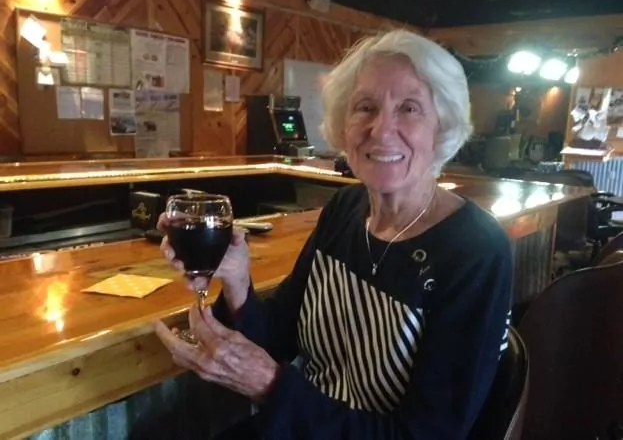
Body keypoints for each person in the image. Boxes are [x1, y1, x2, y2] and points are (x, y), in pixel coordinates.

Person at [153, 29, 513, 440]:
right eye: (365, 107)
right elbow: (277, 339)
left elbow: (426, 435)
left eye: (409, 108)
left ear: (442, 127)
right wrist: (236, 279)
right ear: (344, 124)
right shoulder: (346, 209)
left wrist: (269, 385)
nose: (381, 129)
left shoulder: (476, 251)